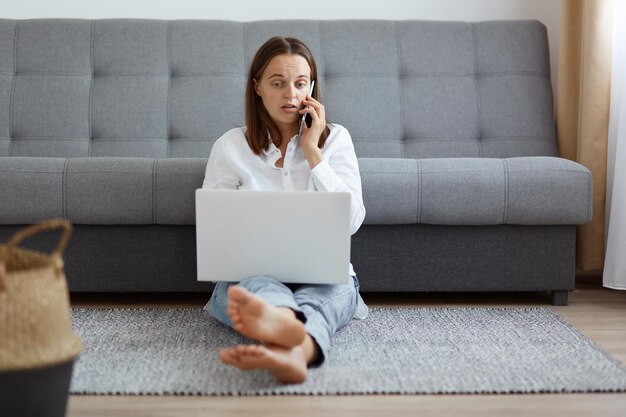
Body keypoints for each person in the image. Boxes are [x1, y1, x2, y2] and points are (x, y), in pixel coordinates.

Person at [202, 36, 368, 384]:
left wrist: (313, 154)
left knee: (331, 291)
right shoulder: (230, 146)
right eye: (277, 83)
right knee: (255, 288)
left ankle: (284, 334)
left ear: (312, 86)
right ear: (257, 87)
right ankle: (293, 341)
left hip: (323, 276)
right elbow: (215, 228)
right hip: (250, 275)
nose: (290, 94)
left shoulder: (336, 139)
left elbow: (351, 221)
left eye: (300, 83)